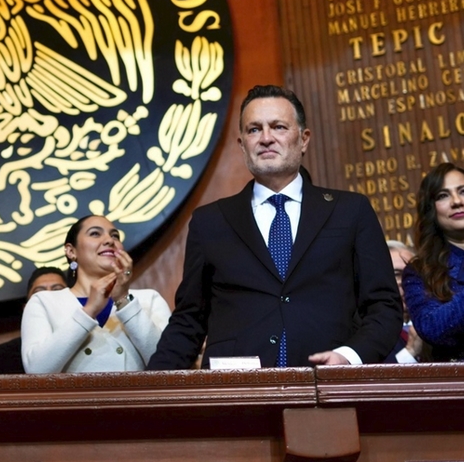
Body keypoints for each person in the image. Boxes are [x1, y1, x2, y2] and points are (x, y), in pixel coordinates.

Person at [148, 85, 402, 369]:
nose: (266, 138)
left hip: (328, 387)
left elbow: (384, 307)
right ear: (242, 144)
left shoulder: (350, 211)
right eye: (254, 129)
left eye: (278, 127)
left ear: (304, 139)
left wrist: (350, 356)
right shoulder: (210, 221)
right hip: (236, 395)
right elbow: (189, 320)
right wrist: (145, 394)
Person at [22, 216, 171, 373]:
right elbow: (36, 371)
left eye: (115, 236)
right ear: (71, 251)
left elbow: (169, 367)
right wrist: (89, 311)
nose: (109, 240)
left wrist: (123, 300)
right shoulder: (44, 302)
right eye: (95, 234)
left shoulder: (149, 300)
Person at [402, 163, 464, 362]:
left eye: (463, 191)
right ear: (431, 209)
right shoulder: (420, 271)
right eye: (443, 196)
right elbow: (431, 328)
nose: (457, 201)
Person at [0, 267, 69, 374]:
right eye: (39, 293)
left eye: (57, 290)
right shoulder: (1, 356)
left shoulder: (86, 344)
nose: (48, 297)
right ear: (26, 308)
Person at [388, 240, 424, 363]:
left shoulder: (436, 322)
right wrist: (410, 352)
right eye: (397, 274)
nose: (407, 283)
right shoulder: (363, 333)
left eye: (414, 275)